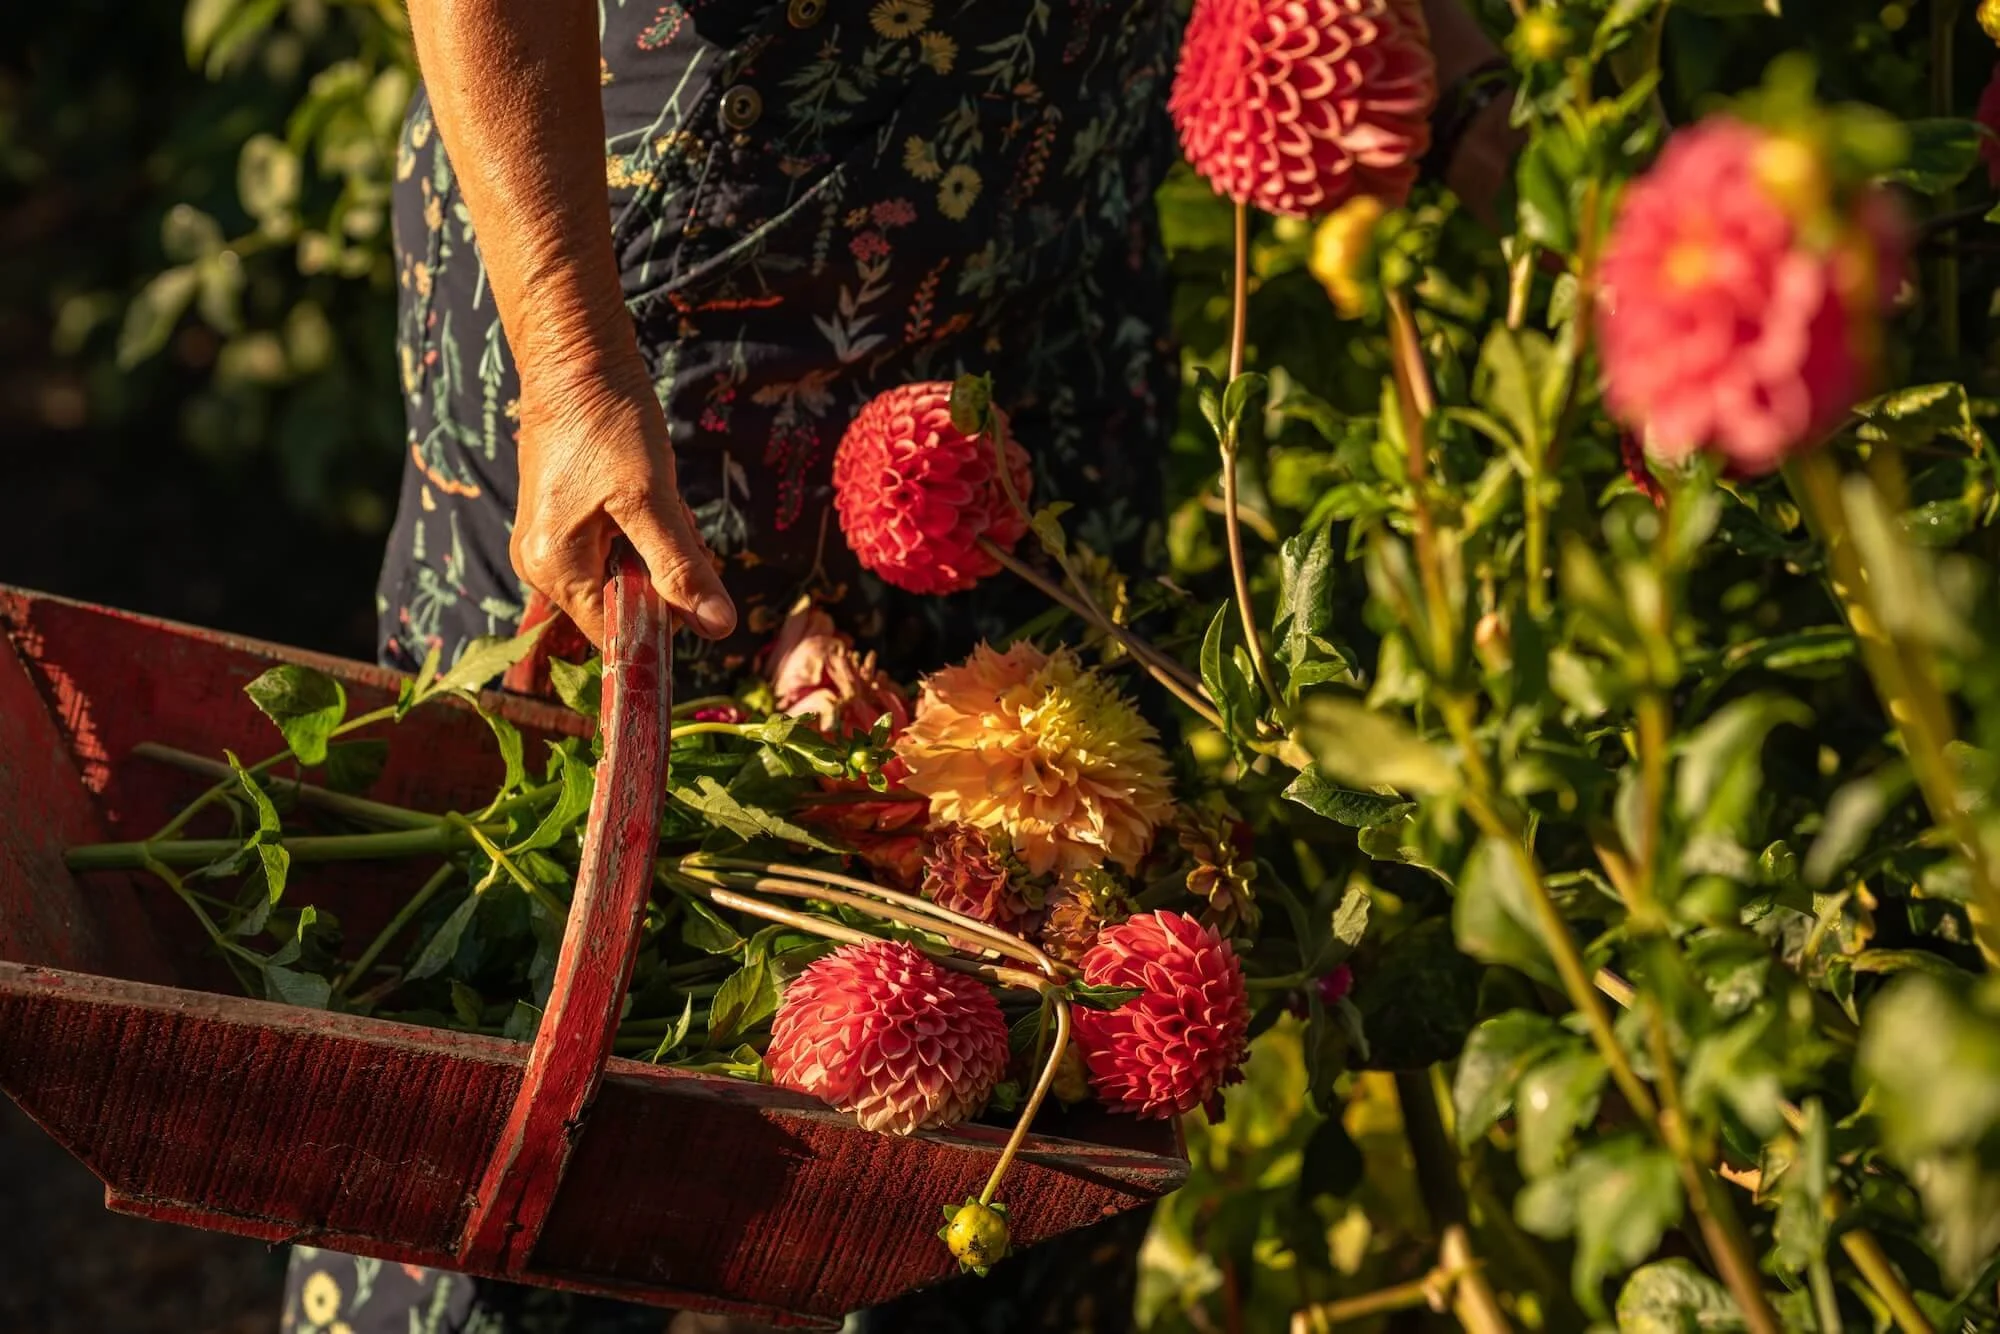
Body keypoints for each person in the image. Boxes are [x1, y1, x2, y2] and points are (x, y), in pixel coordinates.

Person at [284, 0, 1518, 1330]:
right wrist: (575, 367)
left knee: (1028, 1065)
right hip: (674, 306)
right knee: (546, 1029)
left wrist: (1454, 82)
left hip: (1049, 303)